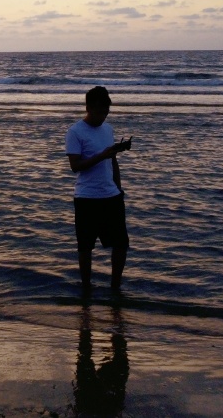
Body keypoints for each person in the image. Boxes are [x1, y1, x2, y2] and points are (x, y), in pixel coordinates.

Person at [66, 86, 131, 293]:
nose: (103, 117)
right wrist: (102, 155)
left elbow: (112, 161)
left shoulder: (108, 130)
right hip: (87, 197)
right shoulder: (75, 132)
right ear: (88, 108)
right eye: (100, 112)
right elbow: (75, 166)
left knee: (121, 244)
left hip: (111, 195)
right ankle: (86, 288)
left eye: (106, 112)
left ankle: (115, 286)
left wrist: (119, 188)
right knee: (85, 247)